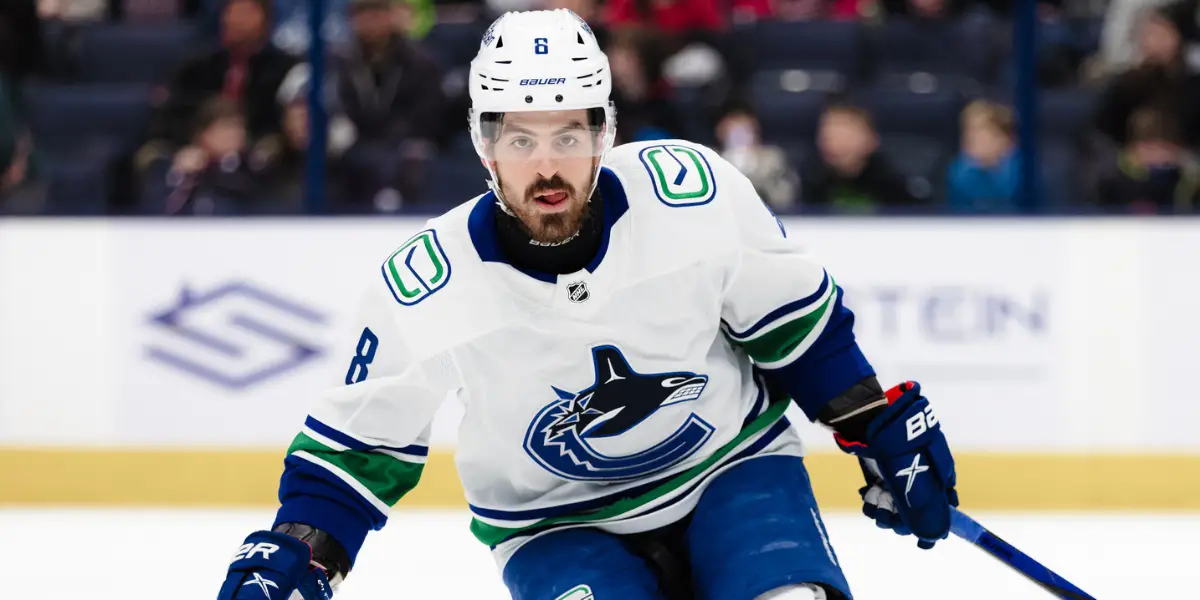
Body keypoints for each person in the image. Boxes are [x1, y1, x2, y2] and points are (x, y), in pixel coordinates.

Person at [215, 9, 960, 600]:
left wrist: (877, 422)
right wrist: (298, 553)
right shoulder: (427, 283)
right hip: (553, 524)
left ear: (605, 131)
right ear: (484, 146)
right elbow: (355, 457)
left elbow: (801, 333)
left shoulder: (692, 195)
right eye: (519, 138)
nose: (546, 165)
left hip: (732, 469)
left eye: (569, 132)